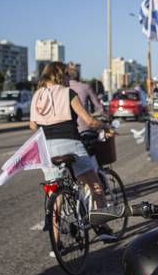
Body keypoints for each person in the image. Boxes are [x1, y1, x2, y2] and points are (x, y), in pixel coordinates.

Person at [29, 62, 119, 232]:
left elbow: (33, 126)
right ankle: (102, 227)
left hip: (47, 149)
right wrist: (106, 127)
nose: (69, 77)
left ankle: (57, 243)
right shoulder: (68, 93)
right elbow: (90, 121)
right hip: (71, 144)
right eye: (67, 74)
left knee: (55, 195)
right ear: (60, 75)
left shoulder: (37, 95)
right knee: (96, 186)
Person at [66, 62, 105, 132]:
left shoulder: (63, 89)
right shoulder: (85, 87)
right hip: (84, 128)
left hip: (66, 130)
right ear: (78, 76)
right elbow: (98, 106)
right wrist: (106, 115)